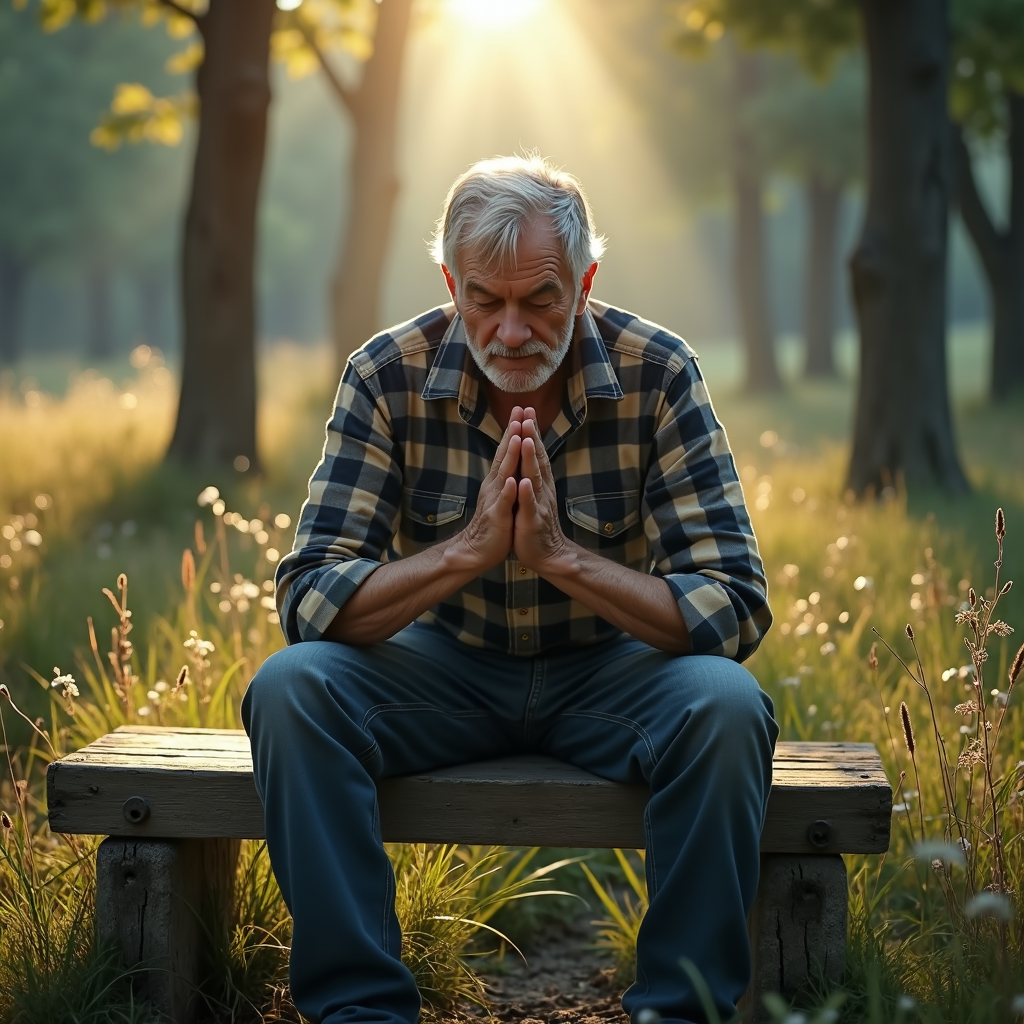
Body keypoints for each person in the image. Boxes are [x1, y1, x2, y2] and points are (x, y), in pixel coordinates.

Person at [242, 154, 777, 1024]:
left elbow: (735, 601)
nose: (512, 331)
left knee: (726, 705)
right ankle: (361, 1011)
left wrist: (563, 559)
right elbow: (310, 596)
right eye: (485, 300)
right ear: (451, 284)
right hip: (442, 671)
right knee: (291, 688)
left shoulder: (660, 372)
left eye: (541, 300)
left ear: (586, 282)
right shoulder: (386, 374)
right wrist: (467, 552)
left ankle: (680, 1012)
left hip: (610, 675)